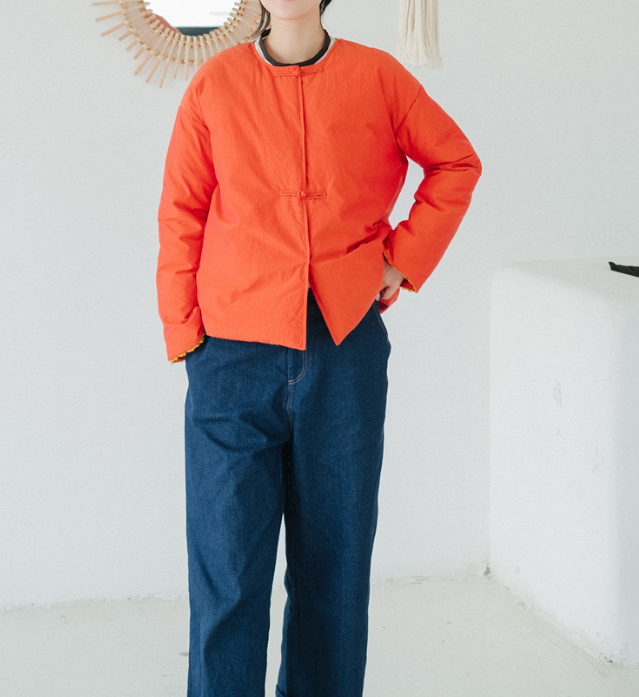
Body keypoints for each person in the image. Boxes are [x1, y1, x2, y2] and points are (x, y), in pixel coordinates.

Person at [156, 1, 482, 695]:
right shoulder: (215, 84)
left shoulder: (378, 76)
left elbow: (455, 162)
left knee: (334, 571)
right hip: (230, 356)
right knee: (226, 574)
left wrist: (398, 261)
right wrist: (184, 334)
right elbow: (182, 211)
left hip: (343, 351)